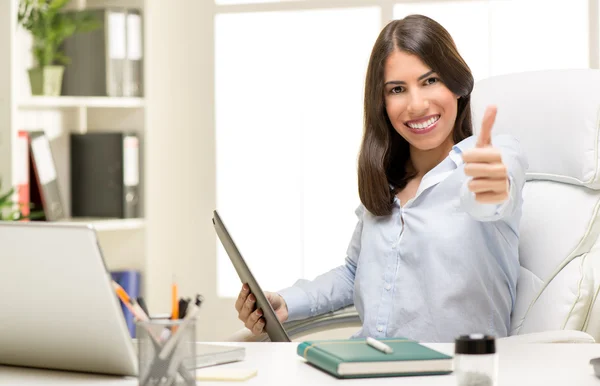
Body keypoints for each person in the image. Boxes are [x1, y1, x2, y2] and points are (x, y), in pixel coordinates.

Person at [234, 14, 527, 342]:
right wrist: (286, 302)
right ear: (382, 103)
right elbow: (353, 273)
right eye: (398, 89)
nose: (417, 104)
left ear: (458, 86)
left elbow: (493, 199)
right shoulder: (387, 185)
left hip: (451, 372)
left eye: (430, 81)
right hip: (367, 366)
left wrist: (491, 188)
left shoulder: (495, 155)